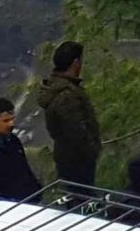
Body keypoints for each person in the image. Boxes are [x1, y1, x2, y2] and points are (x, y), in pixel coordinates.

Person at [39, 41, 105, 187]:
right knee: (81, 199)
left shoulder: (56, 89)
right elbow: (76, 130)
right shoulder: (67, 95)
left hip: (66, 156)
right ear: (76, 63)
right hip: (77, 159)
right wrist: (92, 150)